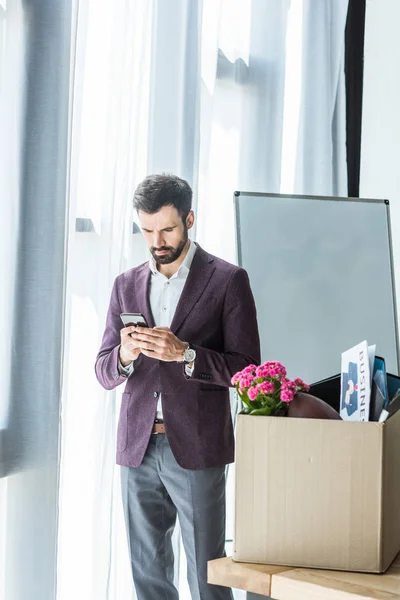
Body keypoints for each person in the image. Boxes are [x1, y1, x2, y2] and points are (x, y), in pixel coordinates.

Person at [95, 174, 261, 600]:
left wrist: (185, 354)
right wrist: (126, 356)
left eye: (167, 228)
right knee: (147, 574)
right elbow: (103, 370)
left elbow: (248, 371)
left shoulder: (227, 280)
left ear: (189, 219)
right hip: (137, 446)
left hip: (197, 448)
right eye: (147, 230)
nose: (157, 240)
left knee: (207, 573)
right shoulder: (125, 285)